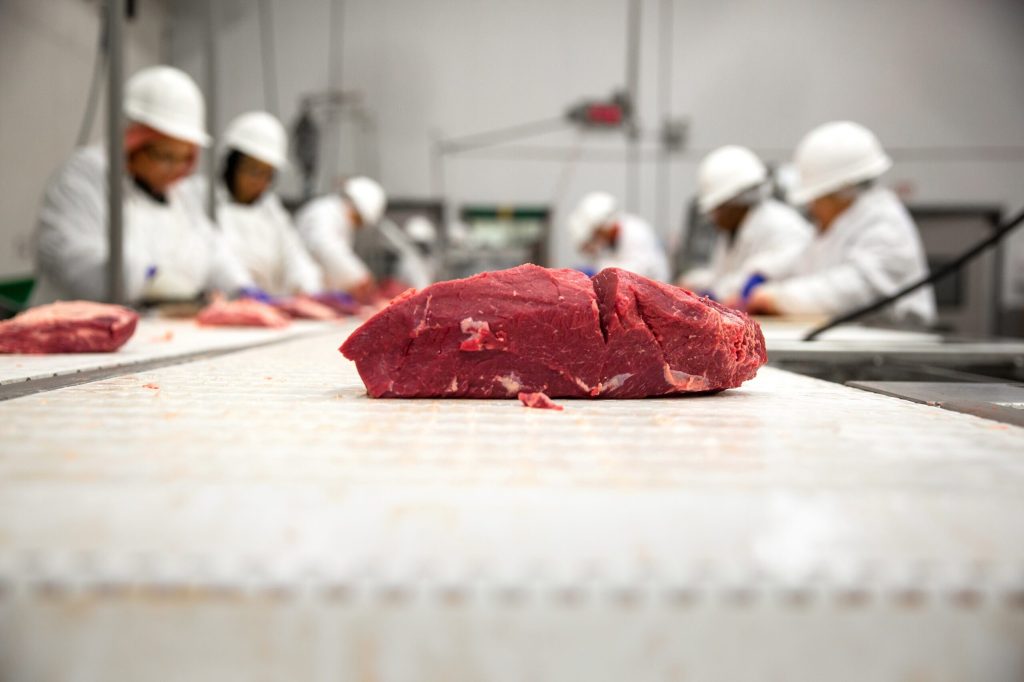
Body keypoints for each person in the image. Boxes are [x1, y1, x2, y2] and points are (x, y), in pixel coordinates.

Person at [32, 66, 253, 305]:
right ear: (132, 141)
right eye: (165, 156)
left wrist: (241, 287)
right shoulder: (85, 175)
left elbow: (213, 252)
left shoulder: (179, 194)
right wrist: (155, 283)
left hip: (156, 333)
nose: (175, 169)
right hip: (77, 333)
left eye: (184, 158)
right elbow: (75, 258)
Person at [746, 121, 937, 326]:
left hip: (897, 345)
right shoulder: (838, 222)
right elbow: (800, 260)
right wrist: (761, 273)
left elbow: (853, 289)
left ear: (840, 191)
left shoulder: (885, 224)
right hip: (854, 340)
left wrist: (776, 298)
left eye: (816, 198)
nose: (811, 206)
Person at [679, 145, 813, 305]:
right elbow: (722, 276)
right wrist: (692, 283)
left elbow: (761, 275)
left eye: (717, 210)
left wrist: (711, 295)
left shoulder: (782, 226)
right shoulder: (734, 230)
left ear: (733, 203)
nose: (714, 218)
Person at [208, 111, 323, 296]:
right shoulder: (207, 201)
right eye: (253, 170)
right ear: (231, 164)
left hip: (269, 311)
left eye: (268, 174)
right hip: (223, 306)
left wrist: (309, 288)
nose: (260, 182)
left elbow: (294, 255)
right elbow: (216, 255)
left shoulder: (270, 209)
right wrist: (242, 287)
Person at [296, 177, 386, 302]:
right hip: (304, 288)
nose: (357, 226)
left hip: (318, 291)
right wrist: (359, 276)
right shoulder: (323, 212)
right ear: (354, 206)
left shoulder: (339, 219)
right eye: (358, 219)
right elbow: (326, 247)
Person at [568, 192, 669, 281]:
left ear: (605, 225)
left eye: (597, 233)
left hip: (652, 292)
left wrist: (597, 271)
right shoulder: (608, 242)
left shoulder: (636, 231)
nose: (597, 239)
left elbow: (637, 272)